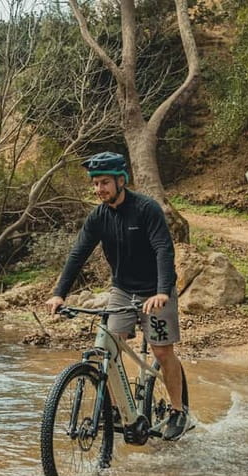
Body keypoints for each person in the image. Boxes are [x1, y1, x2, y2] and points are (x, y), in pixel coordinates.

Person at [45, 151, 191, 441]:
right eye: (96, 184)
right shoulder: (98, 217)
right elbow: (78, 255)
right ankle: (113, 409)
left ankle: (177, 411)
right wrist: (58, 294)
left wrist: (162, 291)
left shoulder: (146, 209)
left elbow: (163, 248)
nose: (100, 189)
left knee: (162, 351)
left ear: (121, 181)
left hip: (155, 289)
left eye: (105, 183)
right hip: (123, 289)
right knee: (108, 349)